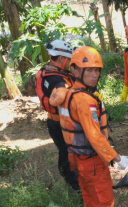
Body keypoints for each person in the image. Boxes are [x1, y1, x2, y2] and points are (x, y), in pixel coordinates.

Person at [50, 46, 128, 207]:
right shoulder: (84, 100)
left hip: (76, 158)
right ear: (76, 71)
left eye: (97, 70)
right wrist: (115, 157)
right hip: (92, 160)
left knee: (88, 194)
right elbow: (94, 135)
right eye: (89, 70)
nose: (94, 74)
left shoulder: (68, 94)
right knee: (103, 200)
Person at [35, 40, 80, 191]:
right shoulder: (56, 78)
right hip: (61, 123)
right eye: (69, 58)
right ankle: (74, 184)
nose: (71, 62)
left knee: (65, 150)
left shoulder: (49, 72)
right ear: (61, 58)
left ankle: (70, 178)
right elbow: (59, 97)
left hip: (55, 121)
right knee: (68, 153)